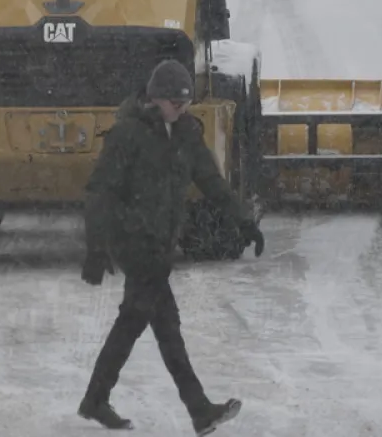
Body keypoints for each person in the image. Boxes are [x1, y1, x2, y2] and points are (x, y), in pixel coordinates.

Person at [78, 58, 265, 435]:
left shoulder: (186, 134)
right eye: (174, 103)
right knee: (162, 327)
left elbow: (211, 180)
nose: (181, 110)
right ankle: (197, 409)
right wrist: (97, 248)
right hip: (133, 241)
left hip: (161, 242)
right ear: (154, 99)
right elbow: (100, 192)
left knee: (140, 324)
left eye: (185, 104)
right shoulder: (127, 135)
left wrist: (244, 219)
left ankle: (97, 400)